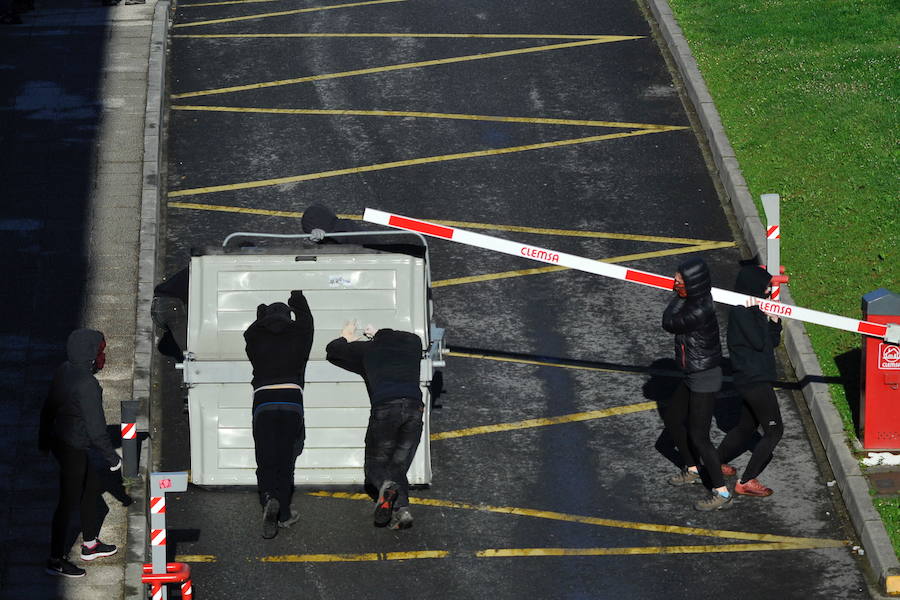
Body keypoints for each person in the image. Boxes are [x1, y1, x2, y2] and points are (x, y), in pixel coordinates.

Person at [326, 323, 425, 530]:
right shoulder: (414, 344)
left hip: (386, 408)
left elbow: (333, 350)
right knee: (398, 466)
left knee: (375, 465)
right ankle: (402, 511)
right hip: (415, 408)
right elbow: (402, 338)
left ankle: (386, 490)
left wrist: (347, 337)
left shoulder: (368, 351)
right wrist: (377, 332)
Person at [39, 329, 121, 577]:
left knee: (91, 488)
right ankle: (55, 559)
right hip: (73, 446)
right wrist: (114, 459)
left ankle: (90, 545)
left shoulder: (65, 369)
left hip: (61, 441)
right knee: (67, 504)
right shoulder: (88, 384)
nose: (101, 356)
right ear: (90, 354)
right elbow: (97, 430)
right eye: (100, 352)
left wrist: (43, 440)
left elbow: (49, 406)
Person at [661, 257, 731, 511]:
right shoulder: (697, 300)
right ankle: (692, 468)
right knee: (672, 418)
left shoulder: (698, 309)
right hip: (693, 374)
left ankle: (721, 492)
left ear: (694, 283)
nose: (675, 281)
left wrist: (678, 296)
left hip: (703, 378)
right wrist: (683, 293)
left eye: (680, 280)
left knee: (700, 436)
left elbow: (669, 322)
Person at [243, 291, 313, 539]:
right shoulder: (300, 335)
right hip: (291, 399)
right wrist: (297, 298)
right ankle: (283, 513)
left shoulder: (255, 336)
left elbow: (249, 332)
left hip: (264, 401)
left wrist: (260, 314)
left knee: (265, 458)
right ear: (288, 316)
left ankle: (268, 499)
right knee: (285, 461)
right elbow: (307, 320)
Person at [716, 264, 784, 496]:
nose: (767, 292)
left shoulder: (750, 313)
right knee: (774, 431)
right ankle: (746, 480)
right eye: (765, 288)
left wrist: (774, 322)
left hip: (754, 377)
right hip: (754, 380)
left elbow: (770, 343)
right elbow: (758, 341)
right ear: (753, 288)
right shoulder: (742, 312)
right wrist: (761, 314)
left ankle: (713, 462)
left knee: (745, 427)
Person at [151, 267, 189, 361]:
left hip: (161, 304)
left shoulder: (199, 268)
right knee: (189, 350)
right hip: (169, 305)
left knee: (188, 349)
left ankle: (174, 350)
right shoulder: (204, 269)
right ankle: (177, 352)